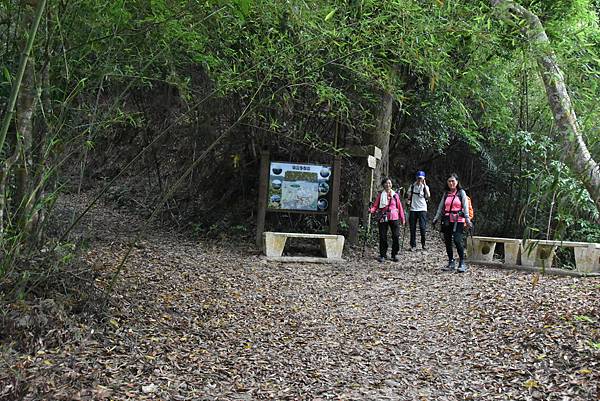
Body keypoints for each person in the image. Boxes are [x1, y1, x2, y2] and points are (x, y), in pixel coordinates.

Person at [432, 173, 472, 272]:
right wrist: (436, 218)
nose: (451, 183)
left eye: (453, 181)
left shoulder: (461, 193)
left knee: (458, 240)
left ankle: (462, 262)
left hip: (458, 220)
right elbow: (441, 207)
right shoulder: (446, 193)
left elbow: (466, 207)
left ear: (457, 182)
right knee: (448, 241)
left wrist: (467, 220)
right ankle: (451, 262)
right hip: (447, 220)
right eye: (449, 181)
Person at [369, 177, 406, 262]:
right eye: (386, 183)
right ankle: (383, 254)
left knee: (396, 236)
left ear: (391, 184)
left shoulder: (395, 195)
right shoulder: (380, 195)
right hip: (383, 216)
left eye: (389, 183)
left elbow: (399, 207)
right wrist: (371, 210)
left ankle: (394, 254)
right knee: (383, 236)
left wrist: (402, 218)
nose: (388, 185)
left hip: (394, 217)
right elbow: (375, 206)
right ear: (383, 185)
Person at [407, 170, 430, 251]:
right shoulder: (412, 186)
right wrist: (408, 201)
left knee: (422, 227)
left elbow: (428, 195)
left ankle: (423, 244)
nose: (419, 180)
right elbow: (409, 196)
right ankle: (413, 245)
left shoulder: (425, 187)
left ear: (424, 179)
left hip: (422, 209)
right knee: (412, 228)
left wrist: (424, 185)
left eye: (421, 178)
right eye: (418, 178)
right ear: (416, 178)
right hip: (413, 208)